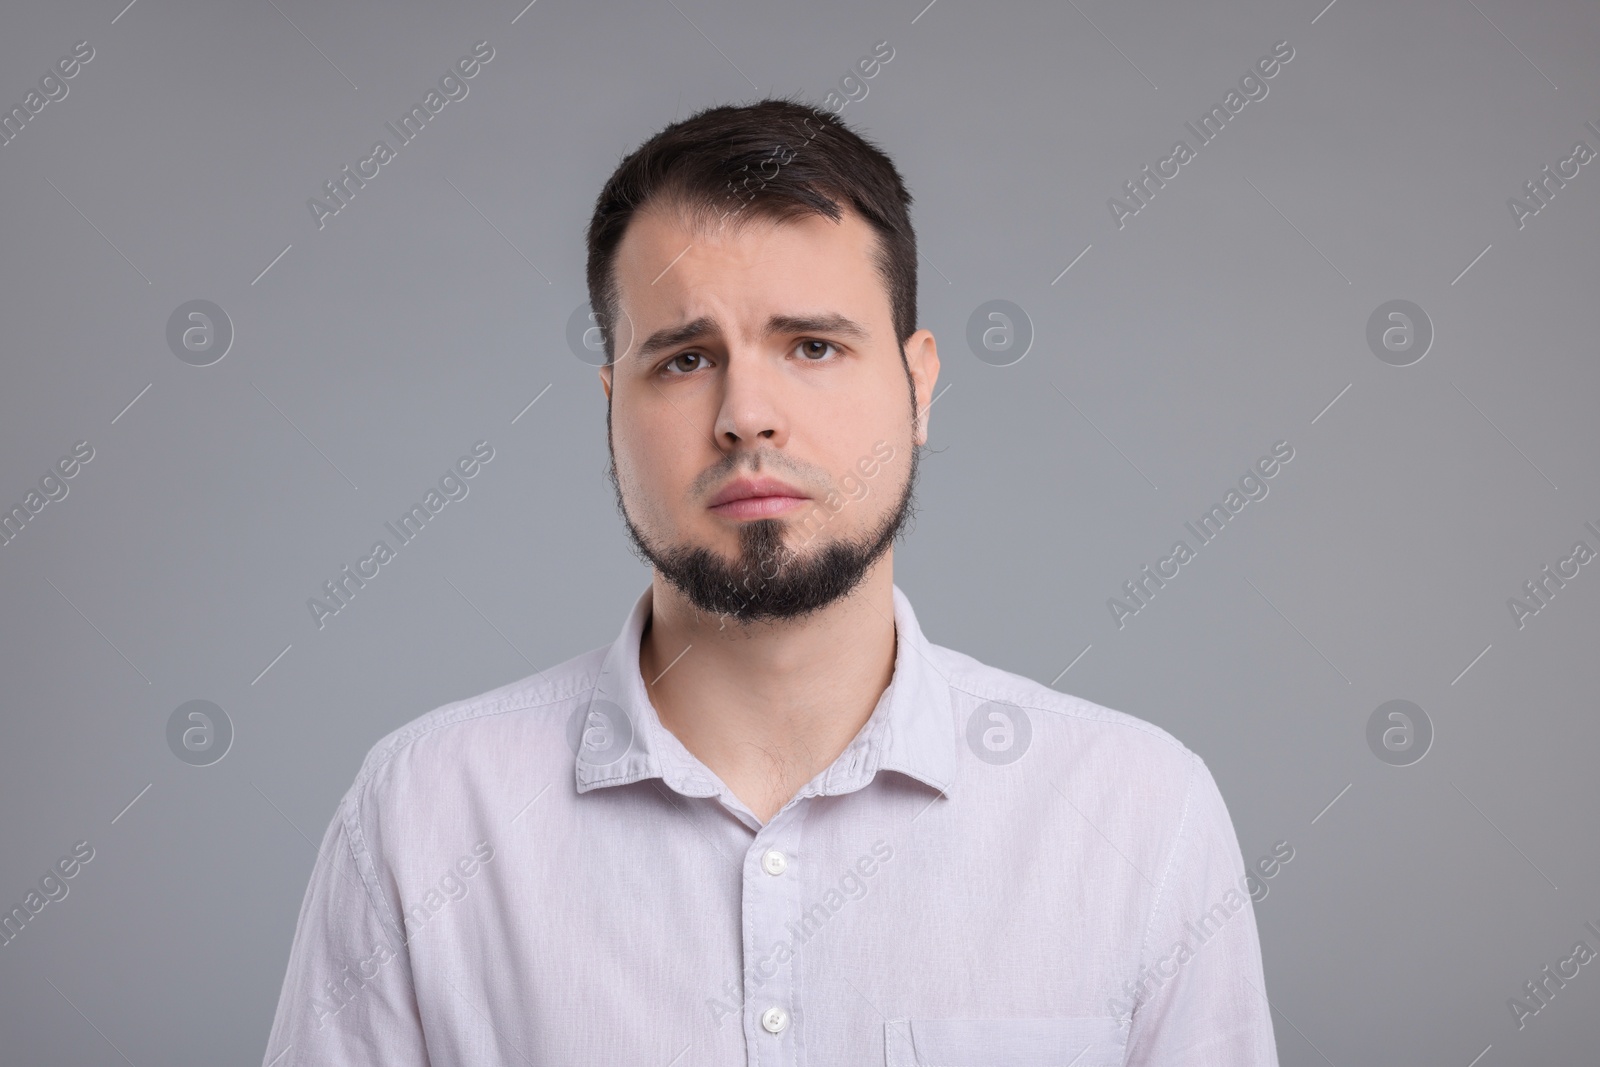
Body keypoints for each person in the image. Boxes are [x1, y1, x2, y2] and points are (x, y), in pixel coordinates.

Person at [262, 97, 1279, 1066]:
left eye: (813, 345)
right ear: (610, 406)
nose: (747, 413)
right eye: (684, 358)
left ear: (919, 385)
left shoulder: (1139, 816)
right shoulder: (423, 819)